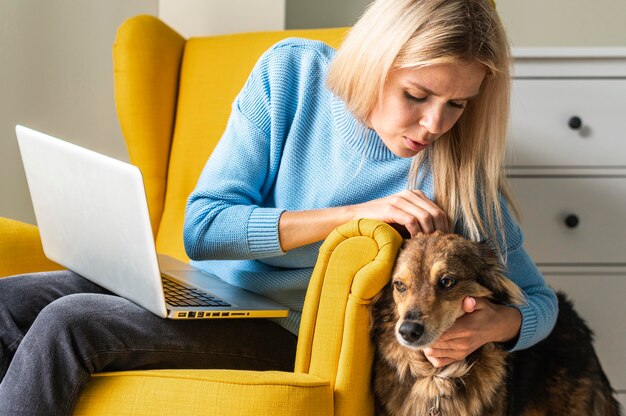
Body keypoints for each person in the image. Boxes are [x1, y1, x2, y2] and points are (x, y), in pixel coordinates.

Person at [0, 0, 557, 414]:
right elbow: (205, 228)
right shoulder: (290, 75)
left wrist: (497, 324)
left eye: (456, 104)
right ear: (373, 62)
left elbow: (539, 301)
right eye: (417, 95)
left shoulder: (457, 178)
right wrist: (353, 215)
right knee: (7, 300)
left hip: (284, 333)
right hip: (202, 288)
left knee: (67, 325)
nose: (434, 124)